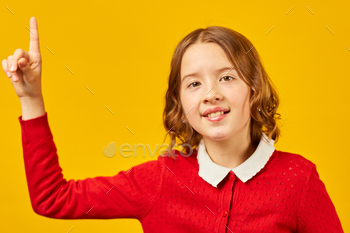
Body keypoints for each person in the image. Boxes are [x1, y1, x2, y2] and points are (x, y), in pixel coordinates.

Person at [2, 17, 344, 233]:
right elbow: (52, 198)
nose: (211, 94)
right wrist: (31, 98)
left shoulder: (298, 180)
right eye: (194, 84)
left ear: (254, 89)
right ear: (181, 105)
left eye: (226, 77)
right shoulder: (160, 180)